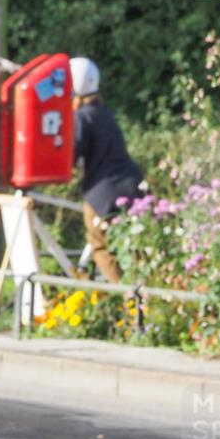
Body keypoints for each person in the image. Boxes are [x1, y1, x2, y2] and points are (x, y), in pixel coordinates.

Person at [70, 56, 144, 283]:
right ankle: (150, 297)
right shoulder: (104, 112)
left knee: (101, 248)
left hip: (103, 191)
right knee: (137, 249)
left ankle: (129, 301)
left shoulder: (82, 116)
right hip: (133, 185)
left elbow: (73, 154)